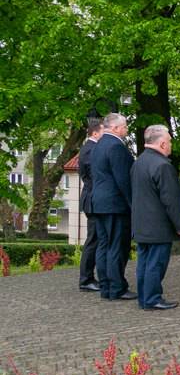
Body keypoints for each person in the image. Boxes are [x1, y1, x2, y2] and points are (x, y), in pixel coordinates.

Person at [131, 125, 180, 310]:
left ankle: (144, 299)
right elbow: (171, 200)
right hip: (158, 226)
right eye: (169, 141)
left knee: (144, 264)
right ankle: (153, 298)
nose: (170, 145)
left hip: (141, 223)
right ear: (162, 143)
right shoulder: (163, 166)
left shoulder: (138, 163)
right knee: (156, 264)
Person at [90, 113, 136, 301]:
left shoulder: (99, 145)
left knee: (103, 246)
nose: (126, 130)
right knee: (117, 246)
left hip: (99, 203)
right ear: (116, 128)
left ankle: (106, 287)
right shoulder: (116, 146)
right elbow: (123, 179)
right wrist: (133, 204)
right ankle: (117, 287)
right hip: (115, 204)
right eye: (124, 126)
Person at [77, 121, 103, 292]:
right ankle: (86, 279)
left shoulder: (89, 149)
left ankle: (88, 277)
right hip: (92, 199)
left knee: (95, 239)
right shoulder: (91, 150)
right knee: (93, 239)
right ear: (95, 133)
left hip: (92, 198)